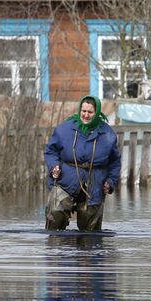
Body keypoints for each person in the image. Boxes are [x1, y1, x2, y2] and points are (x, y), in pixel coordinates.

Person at [44, 95, 121, 231]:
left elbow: (115, 162)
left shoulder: (108, 135)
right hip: (66, 178)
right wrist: (53, 167)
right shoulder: (64, 129)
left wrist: (110, 181)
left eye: (90, 112)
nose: (85, 115)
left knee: (90, 230)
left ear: (96, 113)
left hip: (94, 182)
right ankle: (57, 248)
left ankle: (86, 248)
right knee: (56, 213)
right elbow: (50, 151)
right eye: (83, 111)